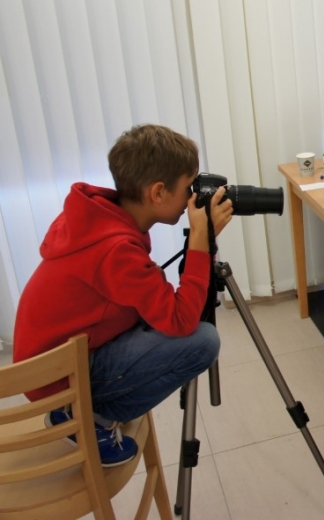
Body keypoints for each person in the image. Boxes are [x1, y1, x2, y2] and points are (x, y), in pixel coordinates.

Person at [13, 124, 234, 467]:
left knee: (163, 323)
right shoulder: (115, 249)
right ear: (158, 192)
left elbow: (152, 303)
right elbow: (181, 321)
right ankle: (86, 418)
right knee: (202, 342)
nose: (193, 197)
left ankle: (81, 409)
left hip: (56, 360)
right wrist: (199, 241)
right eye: (188, 187)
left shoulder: (99, 218)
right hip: (57, 378)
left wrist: (199, 244)